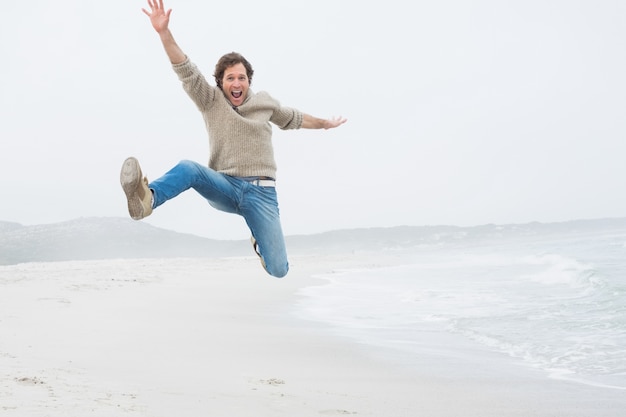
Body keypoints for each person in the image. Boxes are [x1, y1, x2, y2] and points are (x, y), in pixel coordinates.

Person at [120, 0, 347, 278]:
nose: (236, 83)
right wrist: (164, 33)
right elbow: (185, 69)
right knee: (189, 168)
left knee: (279, 270)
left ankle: (261, 245)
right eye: (230, 78)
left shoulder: (265, 103)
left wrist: (325, 124)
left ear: (249, 81)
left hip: (262, 194)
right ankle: (147, 199)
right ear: (220, 82)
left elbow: (295, 118)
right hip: (225, 186)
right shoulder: (210, 100)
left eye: (241, 77)